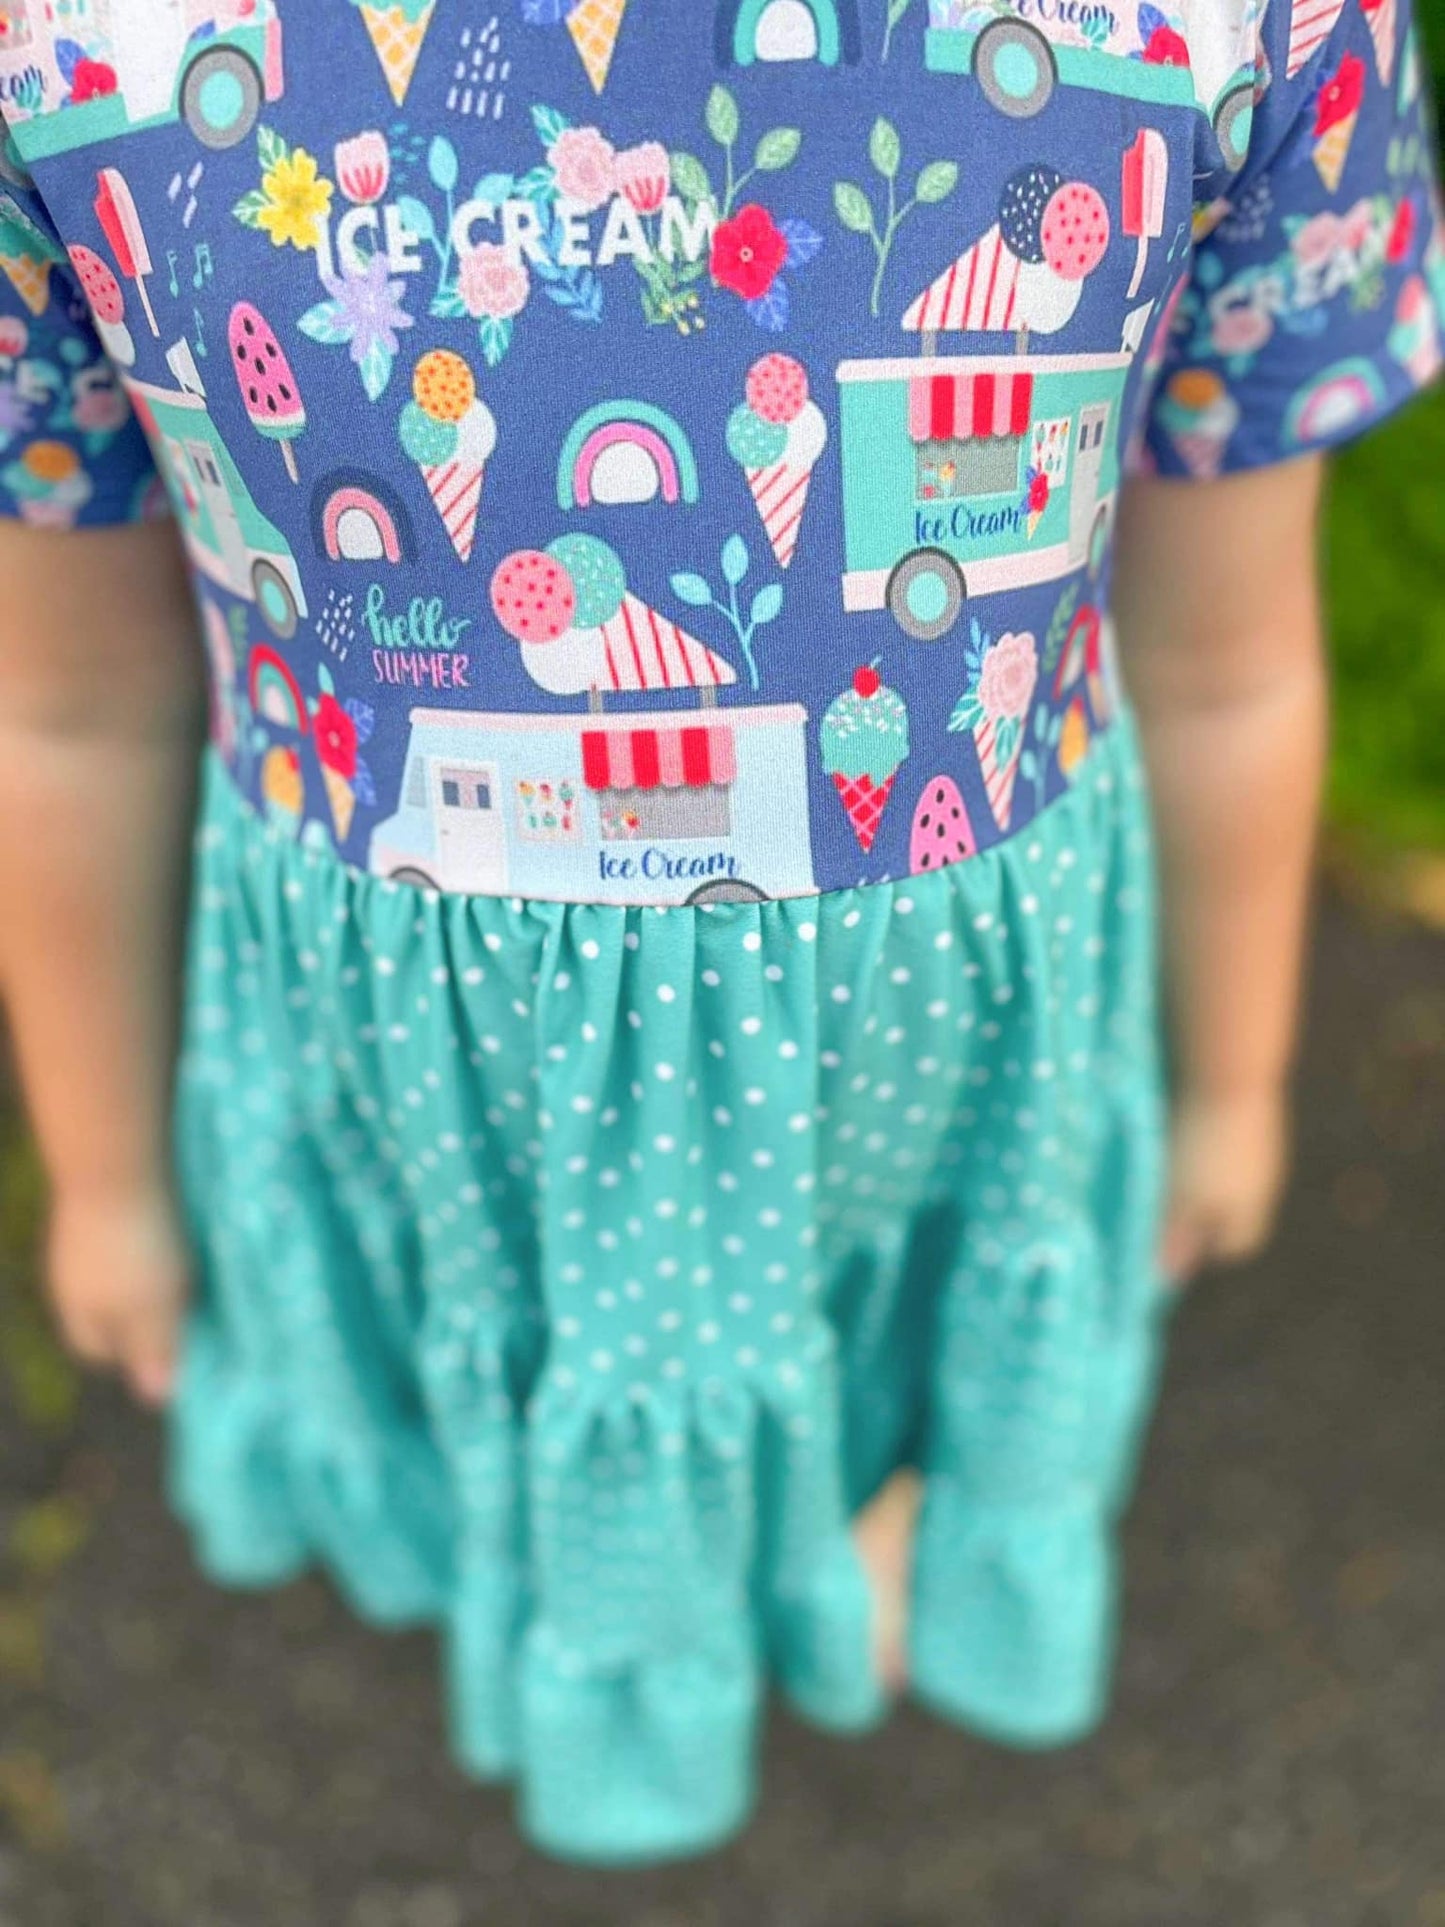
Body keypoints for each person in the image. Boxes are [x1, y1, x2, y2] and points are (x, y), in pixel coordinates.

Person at [0, 0, 1439, 1867]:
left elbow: (1224, 652)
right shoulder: (77, 49)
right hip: (437, 1118)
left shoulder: (1221, 25)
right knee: (517, 1439)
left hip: (943, 1083)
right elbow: (72, 705)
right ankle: (578, 1596)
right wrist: (108, 1171)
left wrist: (1228, 1076)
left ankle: (877, 1514)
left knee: (896, 1367)